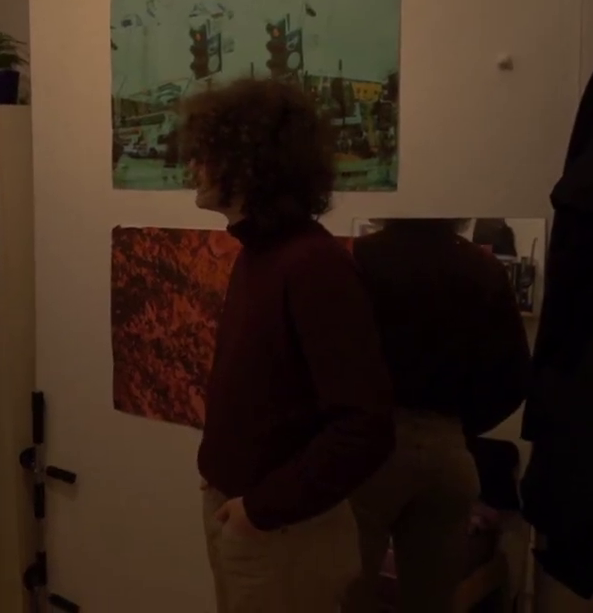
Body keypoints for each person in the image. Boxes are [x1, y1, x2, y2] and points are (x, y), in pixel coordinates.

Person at [182, 77, 395, 613]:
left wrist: (262, 507)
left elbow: (364, 426)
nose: (194, 167)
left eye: (208, 154)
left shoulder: (312, 265)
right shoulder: (262, 255)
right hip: (252, 518)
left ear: (251, 164)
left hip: (285, 534)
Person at [343, 218, 530, 613]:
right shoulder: (483, 268)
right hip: (447, 448)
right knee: (433, 602)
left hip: (368, 445)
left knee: (350, 596)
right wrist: (461, 426)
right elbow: (514, 379)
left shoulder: (358, 258)